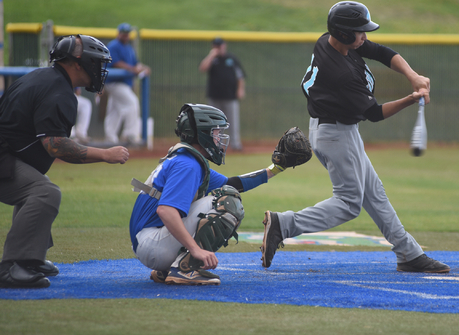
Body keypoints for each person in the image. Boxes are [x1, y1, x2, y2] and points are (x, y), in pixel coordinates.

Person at [260, 1, 451, 274]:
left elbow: (381, 52)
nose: (365, 36)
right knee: (349, 203)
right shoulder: (342, 74)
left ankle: (409, 253)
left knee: (374, 194)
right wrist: (412, 98)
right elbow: (374, 113)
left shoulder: (329, 40)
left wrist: (413, 76)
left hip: (334, 130)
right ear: (345, 33)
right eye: (360, 32)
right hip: (337, 135)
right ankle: (283, 224)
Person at [0, 35, 129, 289]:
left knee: (37, 185)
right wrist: (104, 154)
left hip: (7, 154)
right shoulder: (59, 90)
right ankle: (11, 266)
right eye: (97, 63)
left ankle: (30, 258)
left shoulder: (41, 77)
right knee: (45, 192)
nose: (101, 70)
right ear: (78, 63)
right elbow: (55, 145)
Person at [129, 103, 289, 286]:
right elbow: (165, 211)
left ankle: (168, 268)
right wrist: (195, 249)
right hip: (153, 245)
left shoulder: (186, 159)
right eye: (216, 132)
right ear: (202, 134)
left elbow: (233, 183)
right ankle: (183, 268)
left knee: (228, 193)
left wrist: (276, 168)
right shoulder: (187, 165)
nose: (219, 138)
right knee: (229, 203)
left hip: (149, 241)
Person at [104, 23, 150, 147]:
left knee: (115, 109)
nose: (125, 36)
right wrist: (133, 69)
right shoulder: (113, 45)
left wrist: (143, 67)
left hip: (122, 83)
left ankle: (110, 136)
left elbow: (136, 64)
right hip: (114, 81)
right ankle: (129, 134)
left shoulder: (129, 47)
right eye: (123, 33)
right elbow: (117, 63)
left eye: (127, 34)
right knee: (132, 102)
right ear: (118, 33)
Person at [198, 37, 245, 151]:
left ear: (225, 45)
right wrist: (211, 55)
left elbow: (240, 76)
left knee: (233, 122)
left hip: (230, 96)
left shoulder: (231, 59)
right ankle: (215, 145)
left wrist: (240, 89)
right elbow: (202, 68)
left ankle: (235, 144)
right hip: (214, 96)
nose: (218, 48)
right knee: (215, 123)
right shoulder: (212, 60)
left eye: (220, 45)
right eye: (216, 46)